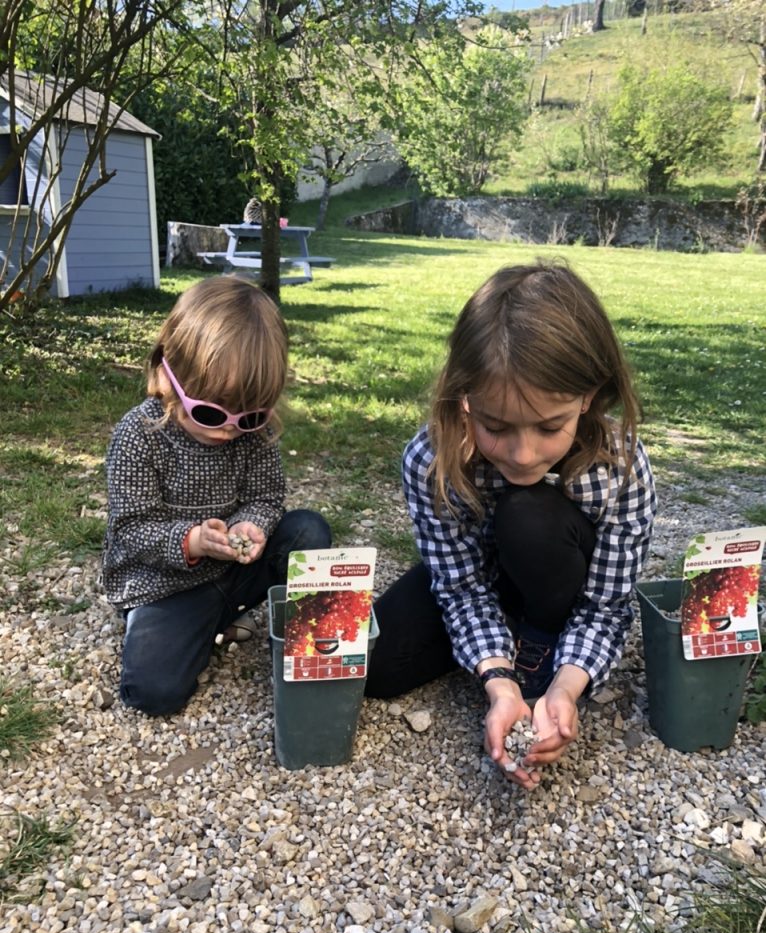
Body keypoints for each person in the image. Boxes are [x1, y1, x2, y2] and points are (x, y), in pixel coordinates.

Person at [365, 261, 656, 790]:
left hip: (562, 583)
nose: (523, 454)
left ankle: (542, 648)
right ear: (464, 398)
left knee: (528, 514)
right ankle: (510, 651)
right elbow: (459, 587)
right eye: (495, 426)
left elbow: (606, 605)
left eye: (549, 427)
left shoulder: (622, 466)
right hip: (486, 583)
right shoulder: (429, 459)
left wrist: (566, 688)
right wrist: (499, 680)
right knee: (377, 666)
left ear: (588, 396)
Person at [102, 275, 331, 716]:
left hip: (234, 571)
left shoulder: (253, 434)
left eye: (249, 416)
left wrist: (252, 525)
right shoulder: (139, 435)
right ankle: (196, 624)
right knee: (154, 692)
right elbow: (130, 530)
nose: (229, 428)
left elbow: (266, 497)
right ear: (168, 377)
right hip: (164, 587)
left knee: (308, 531)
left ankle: (296, 646)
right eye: (210, 412)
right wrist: (191, 541)